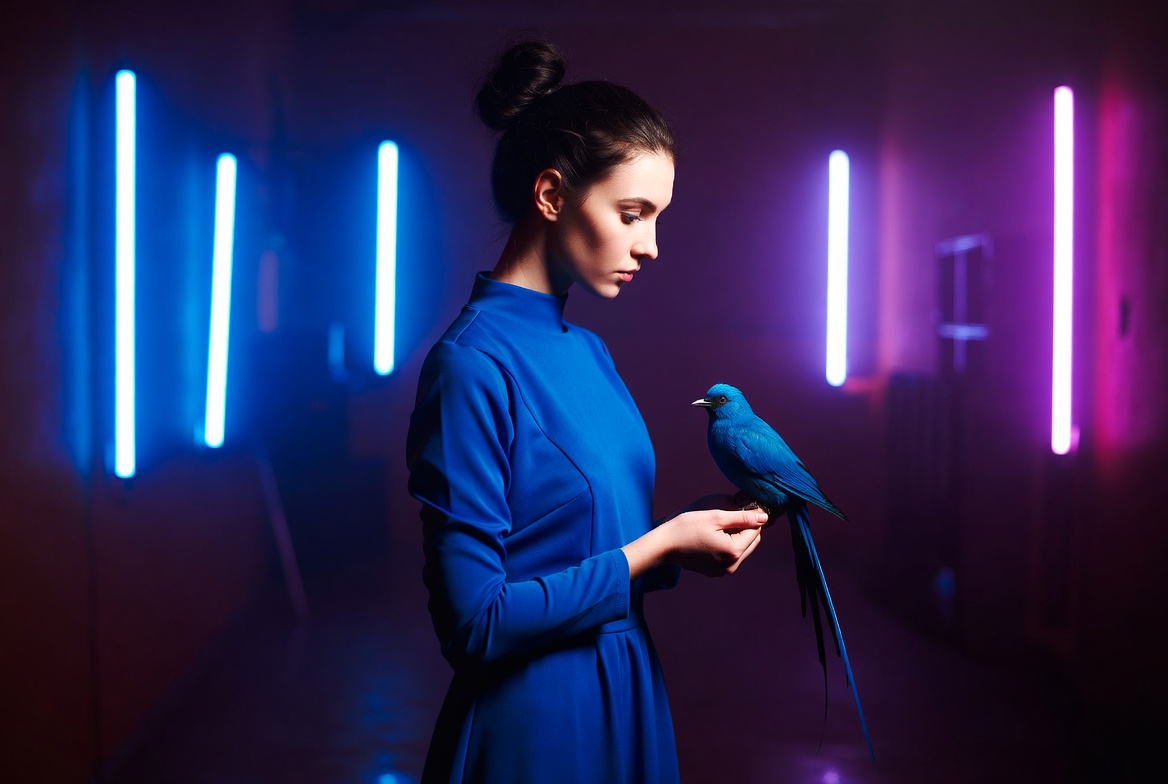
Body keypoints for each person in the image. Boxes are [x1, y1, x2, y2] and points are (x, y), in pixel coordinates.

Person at [405, 38, 769, 784]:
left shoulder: (589, 352)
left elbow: (593, 541)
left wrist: (688, 536)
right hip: (536, 725)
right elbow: (474, 624)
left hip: (628, 692)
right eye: (633, 213)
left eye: (658, 218)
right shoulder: (471, 365)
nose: (652, 245)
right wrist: (658, 547)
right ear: (550, 196)